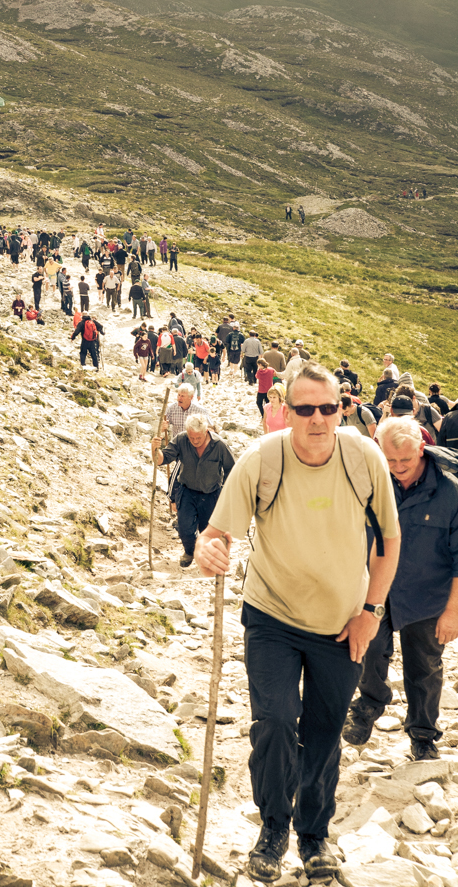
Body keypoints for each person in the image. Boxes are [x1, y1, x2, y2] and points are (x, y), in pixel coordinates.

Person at [195, 362, 399, 883]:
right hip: (273, 616)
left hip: (343, 622)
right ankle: (273, 827)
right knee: (277, 721)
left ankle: (314, 835)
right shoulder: (263, 458)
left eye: (327, 409)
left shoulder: (363, 457)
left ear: (341, 409)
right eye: (304, 409)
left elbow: (389, 541)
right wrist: (208, 550)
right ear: (286, 411)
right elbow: (217, 532)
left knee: (325, 732)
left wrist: (370, 613)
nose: (316, 419)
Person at [342, 418, 458, 761]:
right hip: (378, 587)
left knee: (424, 665)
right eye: (390, 461)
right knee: (369, 649)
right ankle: (369, 706)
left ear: (422, 448)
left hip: (427, 595)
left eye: (405, 461)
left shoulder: (450, 491)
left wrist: (453, 611)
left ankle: (423, 735)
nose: (398, 468)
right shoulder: (374, 480)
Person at [151, 415, 235, 568]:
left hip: (211, 494)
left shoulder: (219, 445)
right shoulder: (181, 440)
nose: (195, 441)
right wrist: (155, 448)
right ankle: (190, 551)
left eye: (198, 437)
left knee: (207, 530)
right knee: (185, 528)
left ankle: (206, 555)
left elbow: (232, 470)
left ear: (206, 431)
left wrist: (227, 495)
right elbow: (161, 460)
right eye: (192, 437)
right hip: (187, 492)